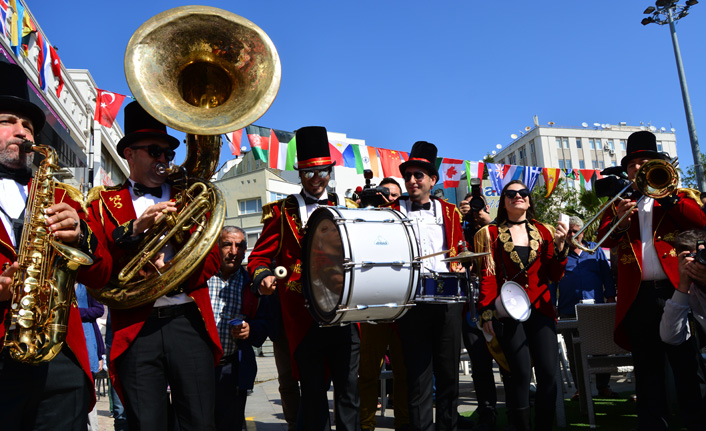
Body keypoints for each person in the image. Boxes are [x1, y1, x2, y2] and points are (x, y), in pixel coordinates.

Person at [86, 101, 223, 430]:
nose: (163, 160)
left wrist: (172, 267)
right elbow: (96, 267)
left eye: (168, 153)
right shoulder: (102, 202)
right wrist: (135, 230)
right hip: (137, 327)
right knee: (146, 423)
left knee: (200, 421)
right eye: (154, 151)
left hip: (188, 320)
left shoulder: (191, 196)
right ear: (130, 154)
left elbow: (214, 258)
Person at [0, 62, 111, 430]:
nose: (22, 132)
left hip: (59, 357)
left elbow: (103, 272)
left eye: (28, 125)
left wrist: (82, 236)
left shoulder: (63, 195)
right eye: (8, 120)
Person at [248, 126, 359, 431]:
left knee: (349, 392)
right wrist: (264, 277)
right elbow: (257, 258)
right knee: (312, 392)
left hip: (344, 315)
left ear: (329, 170)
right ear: (299, 173)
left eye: (320, 171)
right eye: (308, 172)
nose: (314, 178)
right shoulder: (281, 213)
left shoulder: (350, 209)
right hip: (303, 315)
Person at [597, 130, 706, 431]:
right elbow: (601, 239)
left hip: (676, 291)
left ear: (657, 165)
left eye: (644, 163)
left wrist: (669, 198)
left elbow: (700, 222)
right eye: (632, 166)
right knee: (647, 371)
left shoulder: (680, 197)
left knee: (687, 366)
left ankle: (695, 423)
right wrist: (620, 219)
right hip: (638, 297)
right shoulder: (619, 203)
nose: (637, 169)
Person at [475, 180, 568, 431]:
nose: (518, 196)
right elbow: (488, 276)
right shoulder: (490, 233)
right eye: (511, 194)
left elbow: (554, 274)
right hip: (509, 312)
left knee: (549, 374)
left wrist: (561, 248)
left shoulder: (546, 231)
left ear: (529, 199)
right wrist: (486, 312)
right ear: (503, 201)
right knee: (520, 375)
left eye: (523, 193)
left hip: (542, 310)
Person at [385, 141, 465, 431]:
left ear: (433, 180)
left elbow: (459, 251)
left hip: (448, 301)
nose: (412, 181)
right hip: (411, 301)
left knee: (448, 375)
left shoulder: (451, 212)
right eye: (408, 175)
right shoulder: (391, 211)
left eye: (419, 175)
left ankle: (448, 426)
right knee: (417, 377)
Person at [358, 176, 410, 431]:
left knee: (403, 373)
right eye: (384, 194)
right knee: (367, 373)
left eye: (394, 195)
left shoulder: (405, 220)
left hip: (401, 310)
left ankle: (403, 422)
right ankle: (366, 424)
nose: (389, 199)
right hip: (373, 309)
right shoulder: (364, 218)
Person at [209, 225, 272, 431]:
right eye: (227, 244)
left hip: (232, 371)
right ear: (217, 247)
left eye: (239, 246)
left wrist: (250, 330)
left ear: (245, 251)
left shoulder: (252, 285)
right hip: (198, 368)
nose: (233, 251)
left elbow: (264, 325)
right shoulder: (202, 277)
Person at [551, 216, 618, 400]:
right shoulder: (559, 252)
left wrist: (610, 299)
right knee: (574, 353)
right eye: (569, 232)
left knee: (601, 349)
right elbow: (552, 281)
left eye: (575, 231)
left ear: (582, 232)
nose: (572, 235)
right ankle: (581, 389)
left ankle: (603, 386)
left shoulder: (594, 249)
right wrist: (552, 305)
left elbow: (606, 275)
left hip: (596, 309)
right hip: (568, 309)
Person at [457, 193, 498, 430]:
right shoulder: (460, 227)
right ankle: (486, 412)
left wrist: (487, 221)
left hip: (497, 304)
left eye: (478, 204)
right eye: (470, 205)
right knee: (480, 363)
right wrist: (459, 221)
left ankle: (515, 407)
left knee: (506, 360)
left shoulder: (496, 227)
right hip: (470, 306)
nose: (474, 208)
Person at [660, 229, 706, 349]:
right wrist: (683, 285)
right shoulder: (689, 290)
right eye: (695, 257)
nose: (701, 261)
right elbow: (670, 337)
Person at [76, 283, 106, 431]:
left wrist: (76, 313)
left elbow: (99, 310)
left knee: (88, 392)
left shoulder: (86, 286)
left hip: (87, 340)